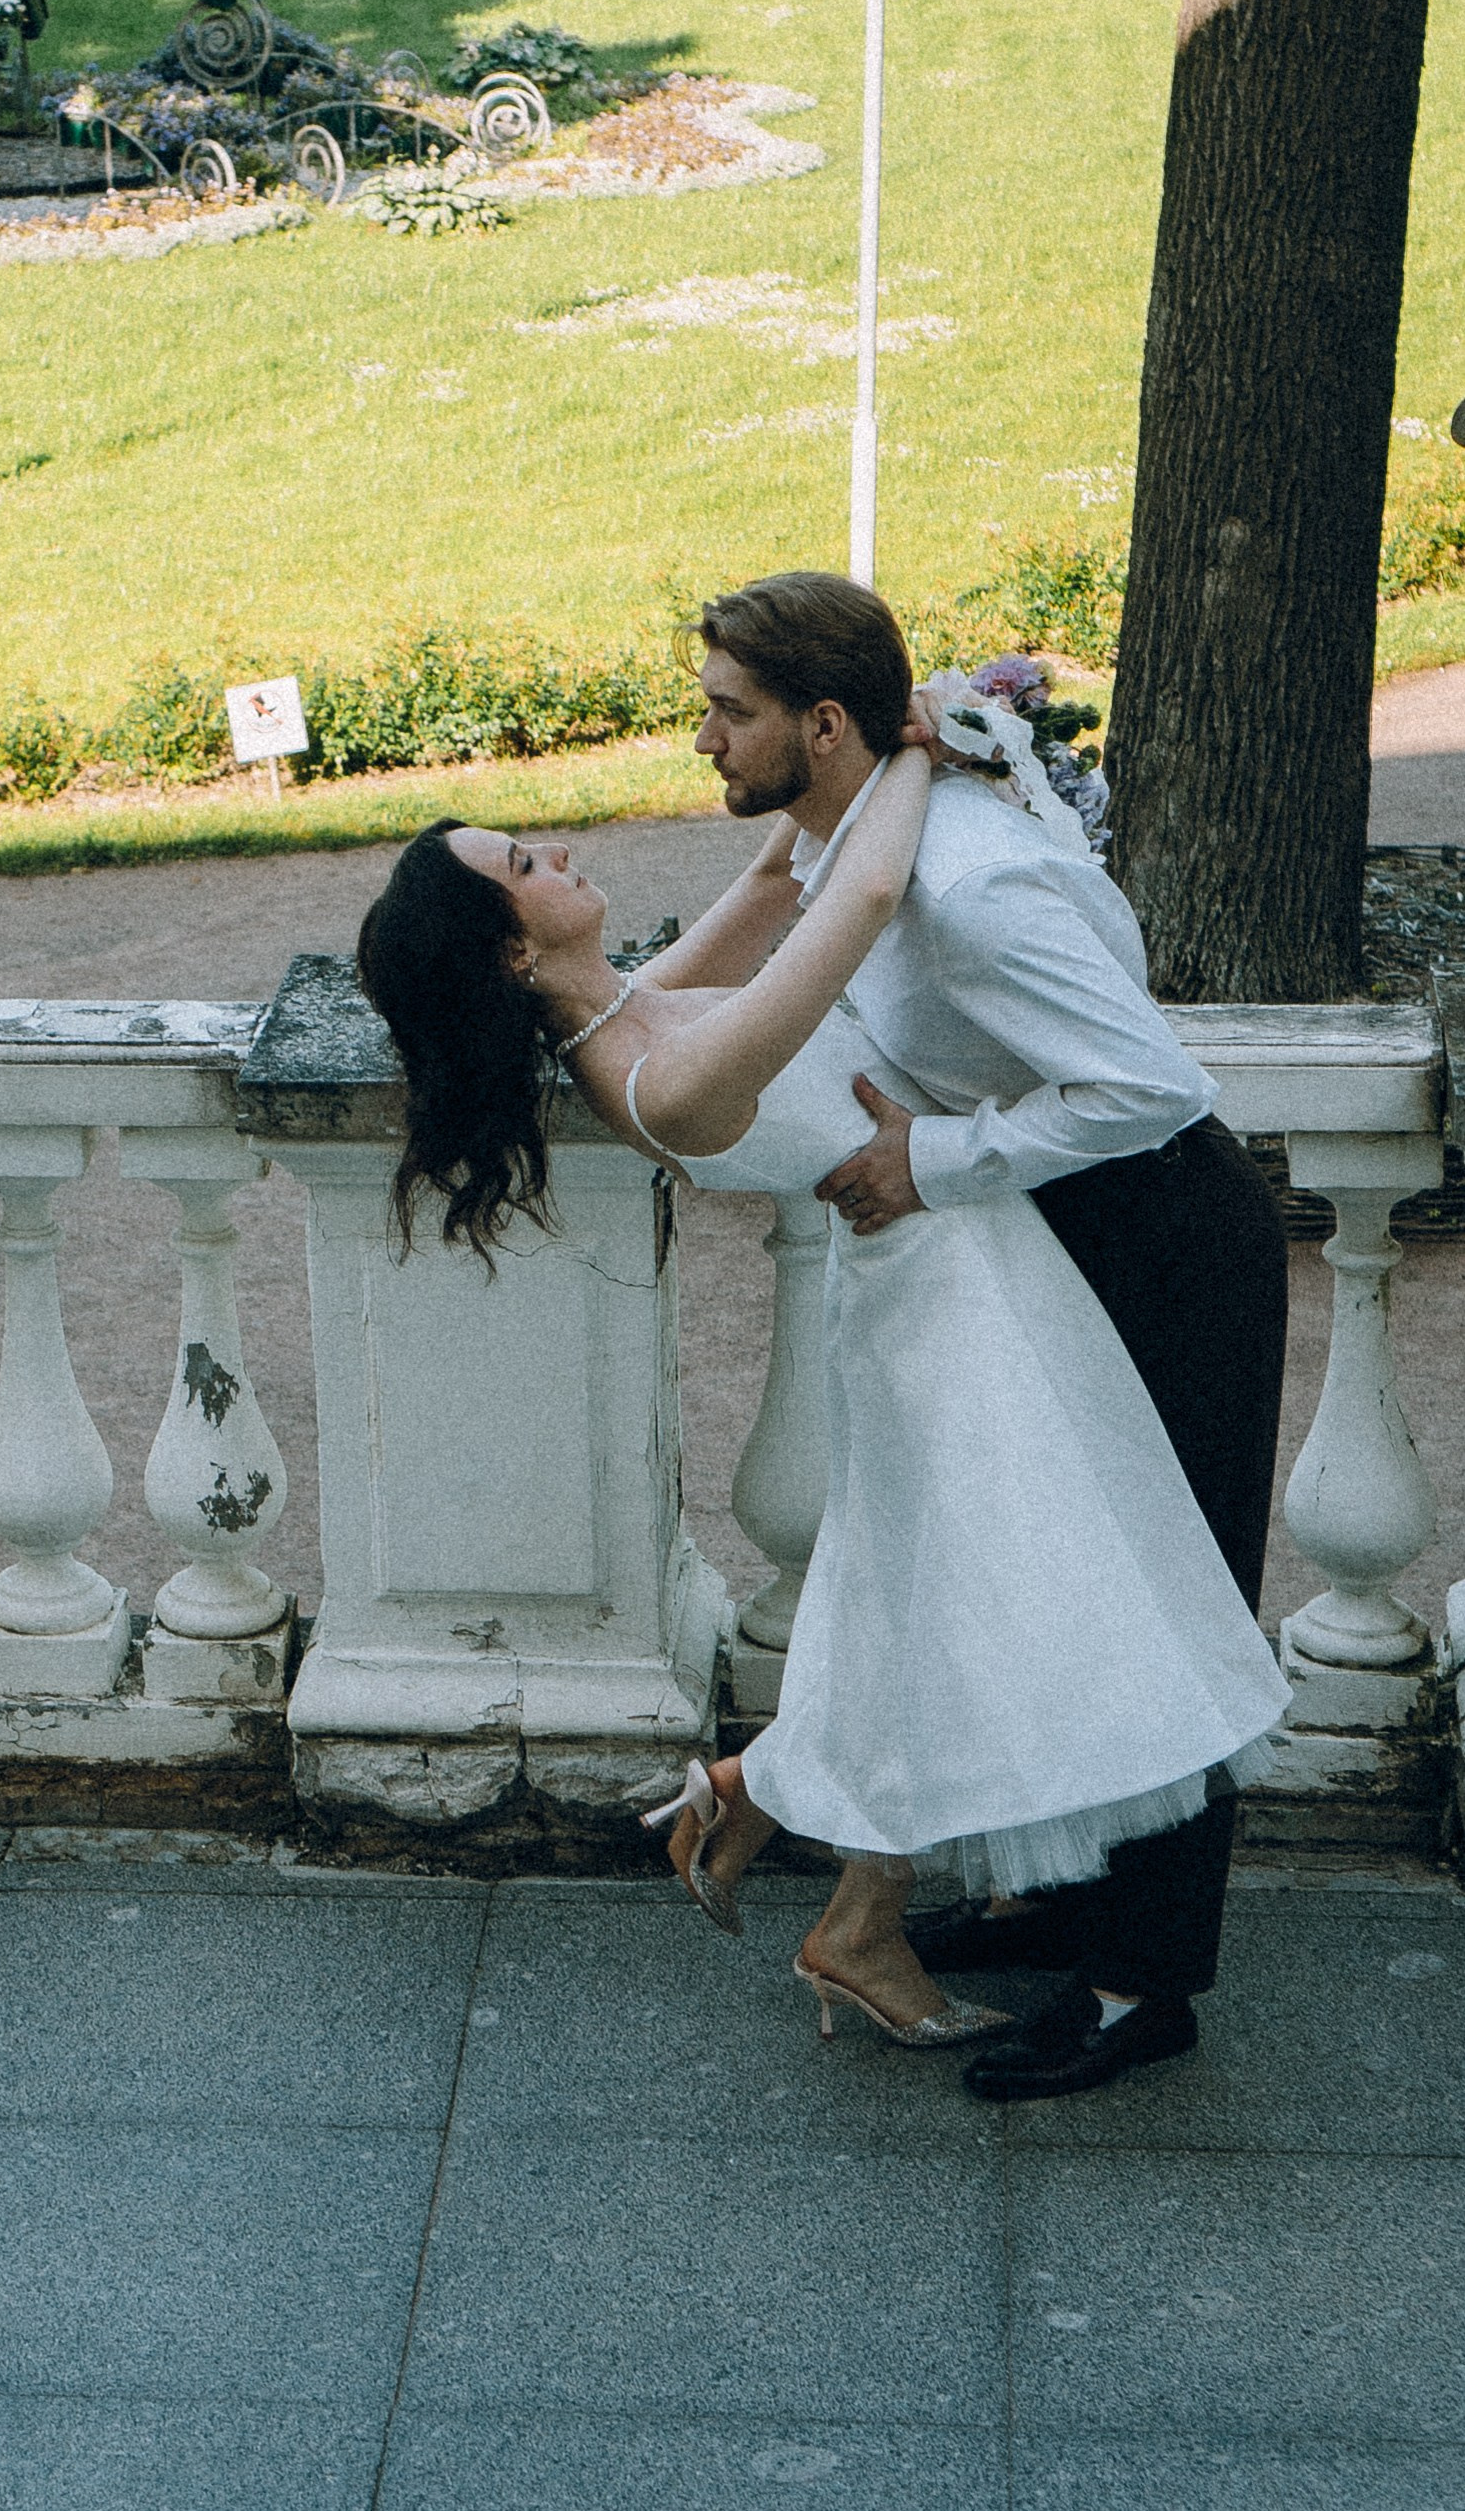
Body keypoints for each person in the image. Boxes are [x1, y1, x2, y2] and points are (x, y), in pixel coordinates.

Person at [355, 602, 1289, 2084]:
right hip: (958, 1297)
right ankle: (889, 1866)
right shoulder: (656, 1074)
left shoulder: (633, 1004)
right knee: (1034, 1608)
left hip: (1058, 1256)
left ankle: (1072, 1950)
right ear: (506, 950)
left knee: (1065, 1600)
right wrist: (915, 751)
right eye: (526, 868)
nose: (561, 852)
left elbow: (787, 876)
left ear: (817, 726)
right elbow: (838, 913)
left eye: (728, 709)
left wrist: (942, 729)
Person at [655, 569, 1294, 2099]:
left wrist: (926, 1162)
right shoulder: (864, 839)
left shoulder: (967, 882)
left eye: (727, 714)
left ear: (821, 725)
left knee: (1157, 1599)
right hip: (1052, 1233)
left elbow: (1148, 1085)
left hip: (1158, 1245)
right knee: (1049, 1582)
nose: (702, 741)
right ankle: (1071, 1904)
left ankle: (1144, 1987)